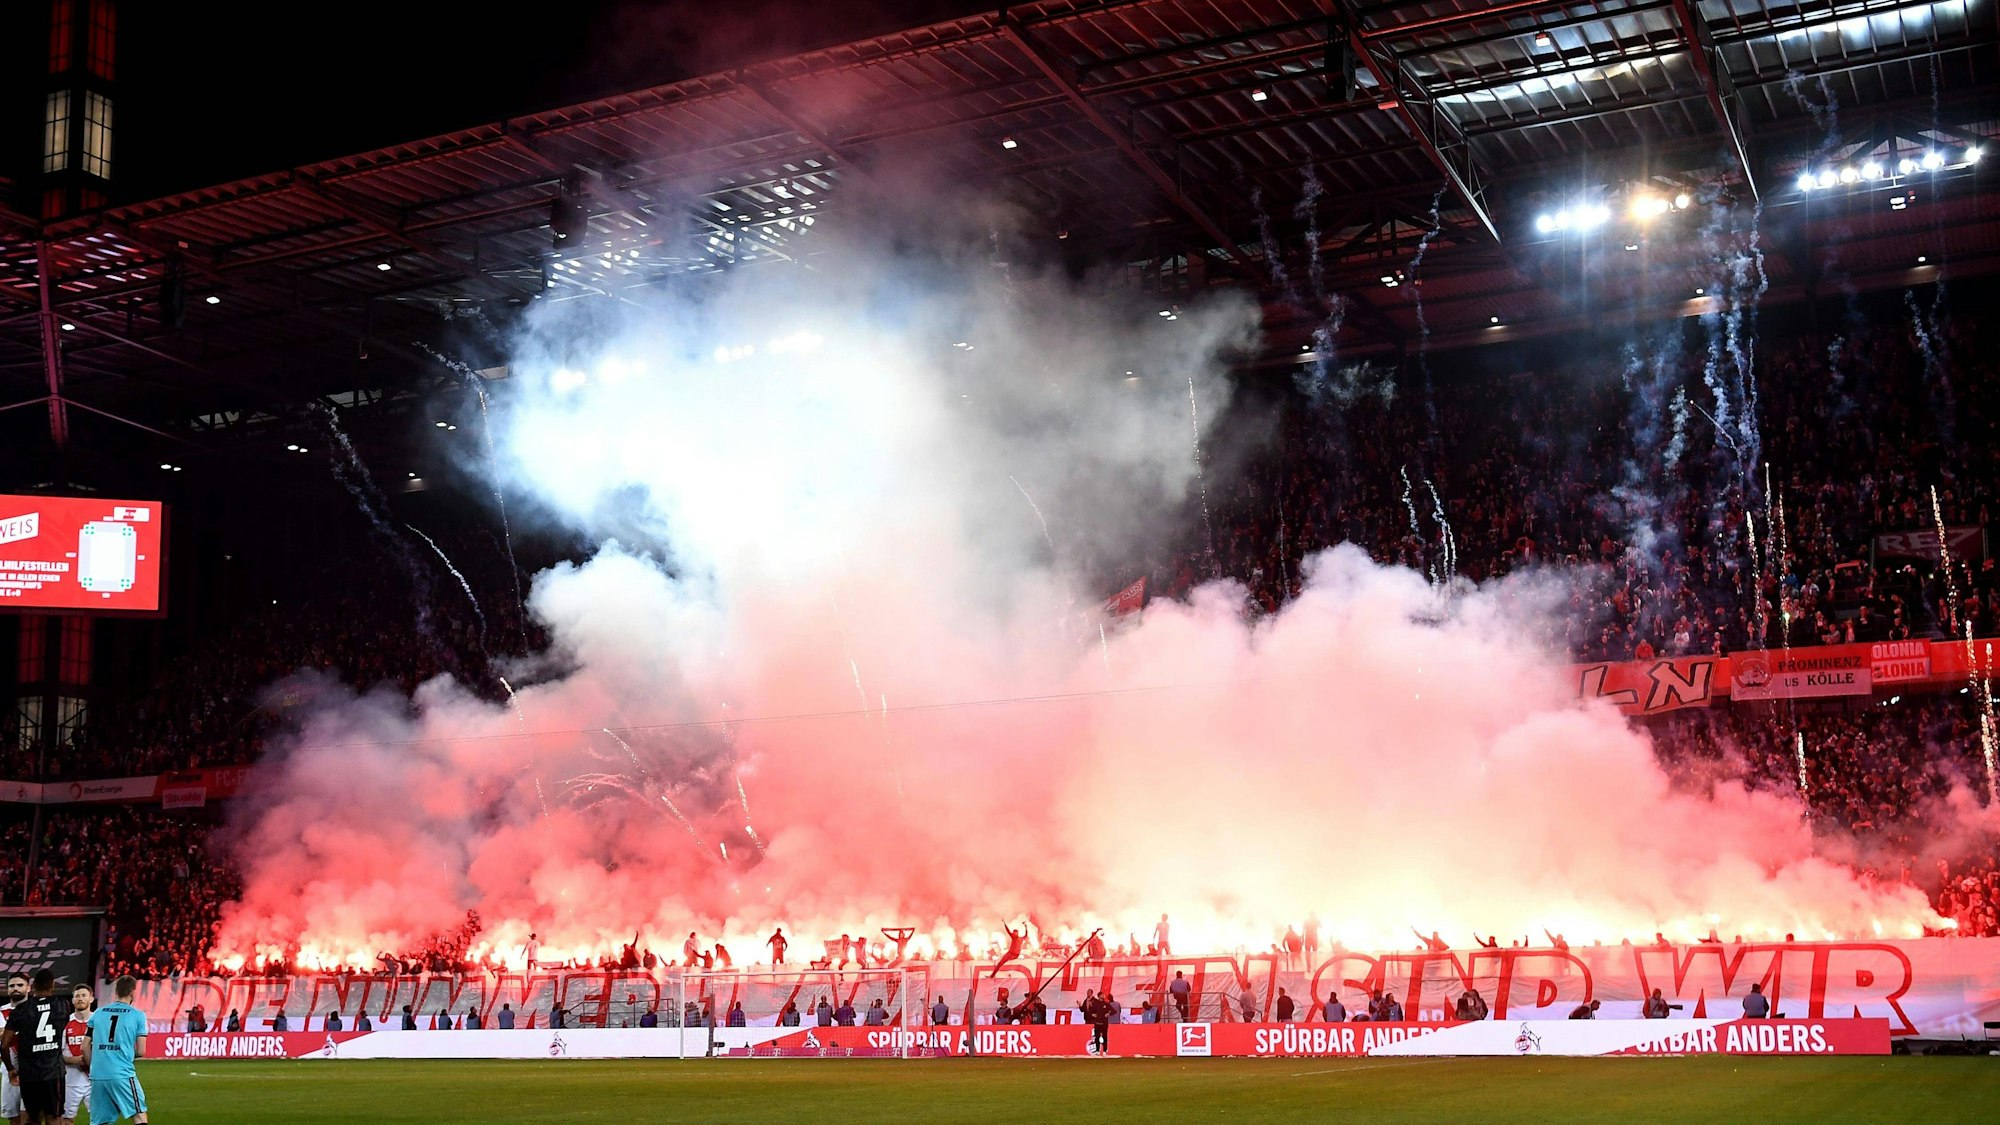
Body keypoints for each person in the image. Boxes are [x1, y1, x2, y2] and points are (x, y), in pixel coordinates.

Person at [4, 970, 73, 1125]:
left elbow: (4, 1045)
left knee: (32, 1118)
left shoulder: (20, 1010)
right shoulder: (63, 1005)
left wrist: (10, 1069)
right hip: (53, 1071)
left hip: (29, 1073)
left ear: (33, 986)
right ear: (53, 984)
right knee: (54, 1117)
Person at [85, 976, 147, 1125]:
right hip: (122, 1073)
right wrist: (124, 1053)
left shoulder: (98, 1013)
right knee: (139, 1116)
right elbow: (141, 1050)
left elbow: (84, 1046)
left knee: (101, 1122)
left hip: (98, 1075)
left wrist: (92, 1066)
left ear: (116, 991)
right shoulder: (137, 1015)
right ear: (133, 992)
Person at [62, 986, 90, 1125]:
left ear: (91, 998)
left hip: (95, 1080)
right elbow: (56, 1053)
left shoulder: (98, 1020)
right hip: (71, 1081)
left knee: (100, 1118)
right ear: (72, 1000)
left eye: (84, 995)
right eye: (77, 996)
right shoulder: (64, 1022)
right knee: (67, 1119)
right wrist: (73, 1060)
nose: (80, 998)